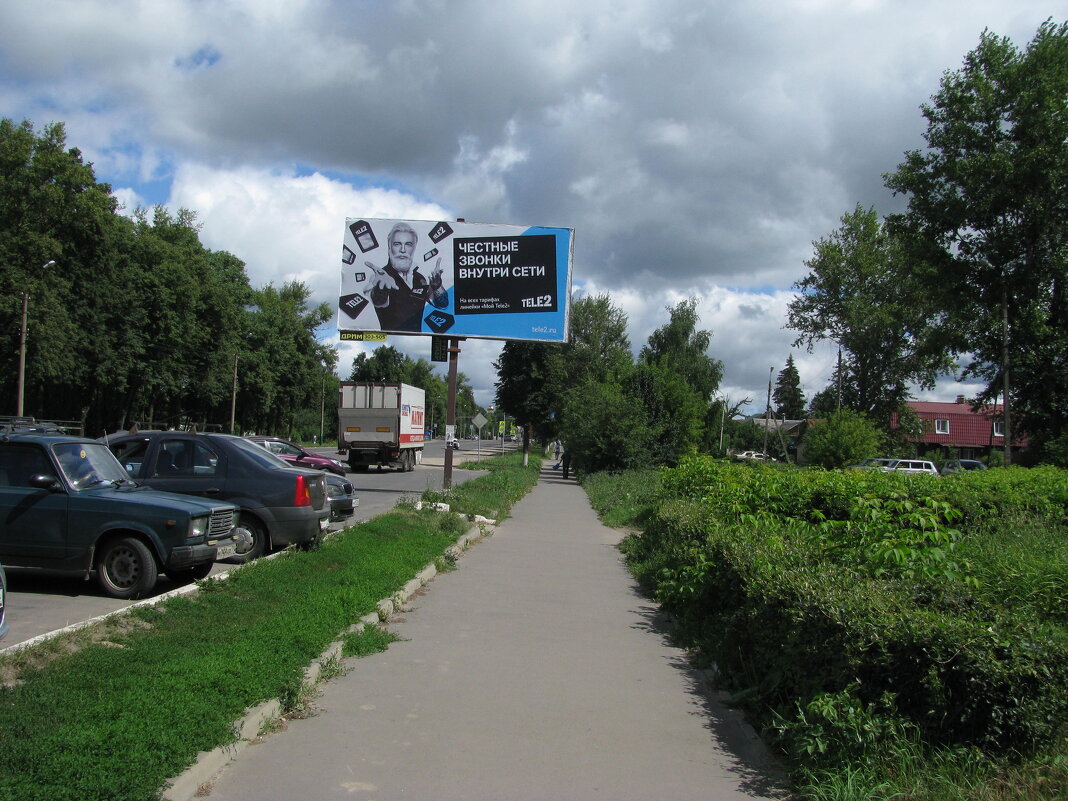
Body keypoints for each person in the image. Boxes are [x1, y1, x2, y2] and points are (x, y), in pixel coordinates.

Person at [365, 222, 449, 332]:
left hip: (416, 341)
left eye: (408, 244)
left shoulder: (420, 279)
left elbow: (442, 305)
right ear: (389, 248)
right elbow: (379, 301)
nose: (403, 250)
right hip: (389, 342)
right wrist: (382, 289)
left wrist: (437, 286)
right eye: (397, 244)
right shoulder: (381, 276)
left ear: (414, 248)